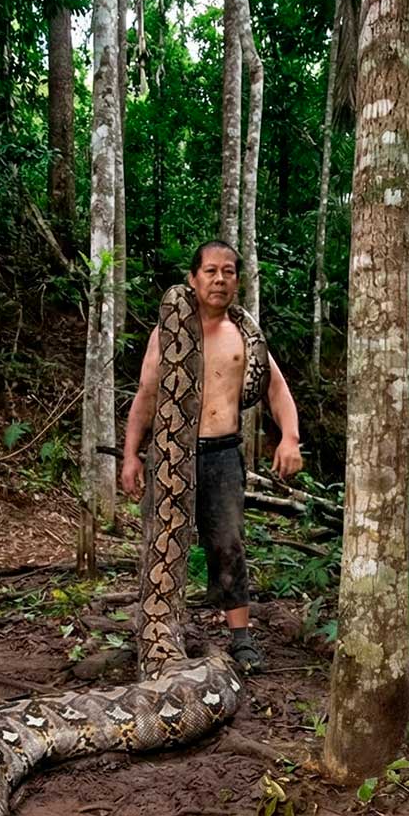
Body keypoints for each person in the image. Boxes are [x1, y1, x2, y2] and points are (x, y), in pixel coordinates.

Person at [119, 240, 302, 673]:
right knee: (162, 543)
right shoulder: (166, 334)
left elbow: (277, 390)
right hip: (170, 454)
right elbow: (146, 397)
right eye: (210, 271)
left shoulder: (244, 336)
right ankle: (160, 633)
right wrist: (131, 455)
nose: (219, 279)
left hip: (222, 453)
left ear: (237, 280)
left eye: (228, 272)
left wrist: (289, 437)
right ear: (193, 278)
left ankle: (241, 638)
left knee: (227, 544)